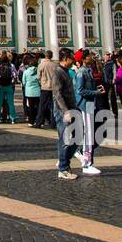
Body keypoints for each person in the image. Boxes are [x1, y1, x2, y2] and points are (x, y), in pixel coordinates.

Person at [51, 49, 80, 179]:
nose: (73, 61)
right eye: (71, 59)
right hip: (62, 111)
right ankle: (63, 168)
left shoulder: (66, 72)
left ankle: (64, 162)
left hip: (71, 109)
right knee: (65, 140)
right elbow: (57, 94)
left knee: (76, 138)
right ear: (64, 59)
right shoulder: (58, 72)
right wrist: (65, 111)